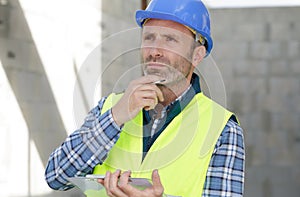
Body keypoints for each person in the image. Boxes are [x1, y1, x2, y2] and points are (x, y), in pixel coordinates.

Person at [45, 0, 245, 196]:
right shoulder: (110, 107)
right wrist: (115, 118)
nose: (155, 51)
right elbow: (56, 176)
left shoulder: (222, 130)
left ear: (196, 55)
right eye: (149, 37)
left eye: (170, 39)